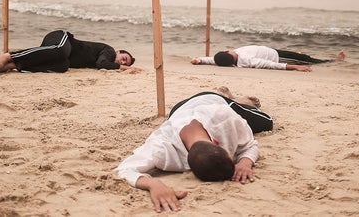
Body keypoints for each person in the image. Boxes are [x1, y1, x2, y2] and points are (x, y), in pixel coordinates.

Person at [115, 89, 273, 212]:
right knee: (265, 123)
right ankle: (235, 100)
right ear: (217, 142)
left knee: (267, 123)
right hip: (189, 106)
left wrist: (245, 162)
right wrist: (153, 184)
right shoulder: (161, 145)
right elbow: (123, 170)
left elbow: (250, 145)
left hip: (208, 102)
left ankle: (233, 99)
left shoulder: (225, 117)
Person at [0, 30, 137, 74]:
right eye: (124, 58)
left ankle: (11, 65)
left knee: (62, 66)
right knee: (60, 51)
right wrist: (125, 68)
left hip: (59, 54)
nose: (123, 62)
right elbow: (101, 64)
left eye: (125, 63)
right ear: (118, 51)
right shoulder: (109, 50)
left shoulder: (110, 58)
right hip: (62, 38)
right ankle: (9, 55)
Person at [191, 45, 345, 72]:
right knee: (306, 59)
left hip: (272, 50)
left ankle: (331, 60)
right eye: (228, 51)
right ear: (230, 54)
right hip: (279, 57)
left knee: (303, 56)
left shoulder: (226, 59)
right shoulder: (248, 61)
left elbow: (213, 60)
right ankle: (334, 61)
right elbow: (271, 65)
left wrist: (199, 60)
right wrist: (296, 67)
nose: (229, 49)